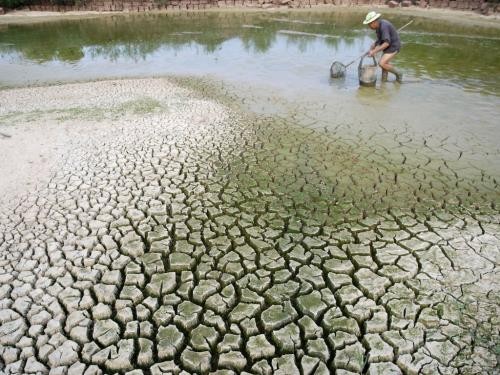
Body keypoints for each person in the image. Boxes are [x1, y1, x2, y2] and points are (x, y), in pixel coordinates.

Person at [363, 11, 403, 83]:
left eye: (369, 24)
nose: (369, 26)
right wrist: (374, 45)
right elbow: (380, 39)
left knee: (382, 63)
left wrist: (374, 51)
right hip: (388, 46)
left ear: (374, 22)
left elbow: (386, 43)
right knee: (384, 66)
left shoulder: (384, 26)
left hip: (393, 46)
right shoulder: (378, 26)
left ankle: (399, 74)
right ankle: (384, 83)